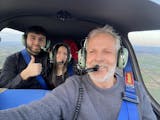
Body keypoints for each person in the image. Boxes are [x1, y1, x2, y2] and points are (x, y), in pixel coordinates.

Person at [0, 25, 157, 120]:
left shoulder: (136, 90)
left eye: (107, 51)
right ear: (84, 57)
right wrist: (25, 74)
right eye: (92, 51)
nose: (98, 58)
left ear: (120, 58)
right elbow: (32, 113)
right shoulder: (73, 87)